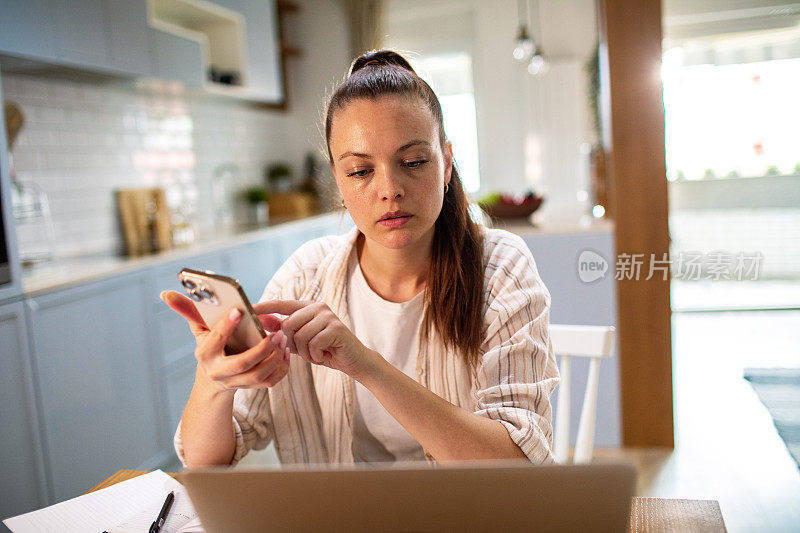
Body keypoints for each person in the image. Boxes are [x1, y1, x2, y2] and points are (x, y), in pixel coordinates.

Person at [162, 50, 560, 467]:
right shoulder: (304, 277)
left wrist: (367, 366)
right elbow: (205, 463)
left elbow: (519, 466)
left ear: (446, 163)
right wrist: (214, 382)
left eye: (413, 162)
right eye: (360, 171)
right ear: (337, 179)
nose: (389, 189)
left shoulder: (500, 267)